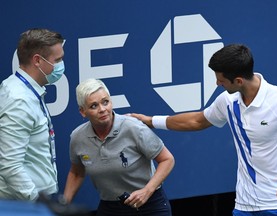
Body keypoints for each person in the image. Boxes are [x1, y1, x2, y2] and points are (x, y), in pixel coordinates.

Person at [130, 44, 277, 216]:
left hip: (276, 204)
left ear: (239, 81)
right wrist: (151, 121)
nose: (217, 83)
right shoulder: (228, 101)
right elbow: (196, 121)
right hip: (244, 206)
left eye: (221, 80)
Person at [63, 78, 175, 216]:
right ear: (82, 111)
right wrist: (63, 205)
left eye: (105, 102)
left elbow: (167, 159)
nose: (102, 109)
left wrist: (147, 191)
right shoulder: (77, 137)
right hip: (110, 207)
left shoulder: (133, 127)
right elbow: (76, 172)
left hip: (149, 205)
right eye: (94, 106)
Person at [0, 28, 65, 201]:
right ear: (37, 60)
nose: (61, 65)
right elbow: (10, 165)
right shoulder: (19, 100)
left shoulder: (23, 91)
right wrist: (37, 203)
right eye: (57, 60)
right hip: (24, 205)